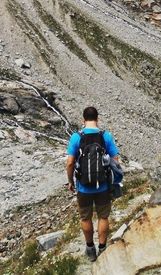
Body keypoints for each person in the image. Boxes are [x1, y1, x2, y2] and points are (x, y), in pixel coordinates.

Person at [66, 106, 120, 261]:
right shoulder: (105, 136)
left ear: (83, 119)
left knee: (86, 218)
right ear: (98, 119)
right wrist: (113, 179)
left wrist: (70, 182)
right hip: (102, 185)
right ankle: (102, 248)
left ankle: (90, 249)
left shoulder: (76, 137)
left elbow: (70, 163)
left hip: (83, 186)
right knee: (103, 216)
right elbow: (115, 159)